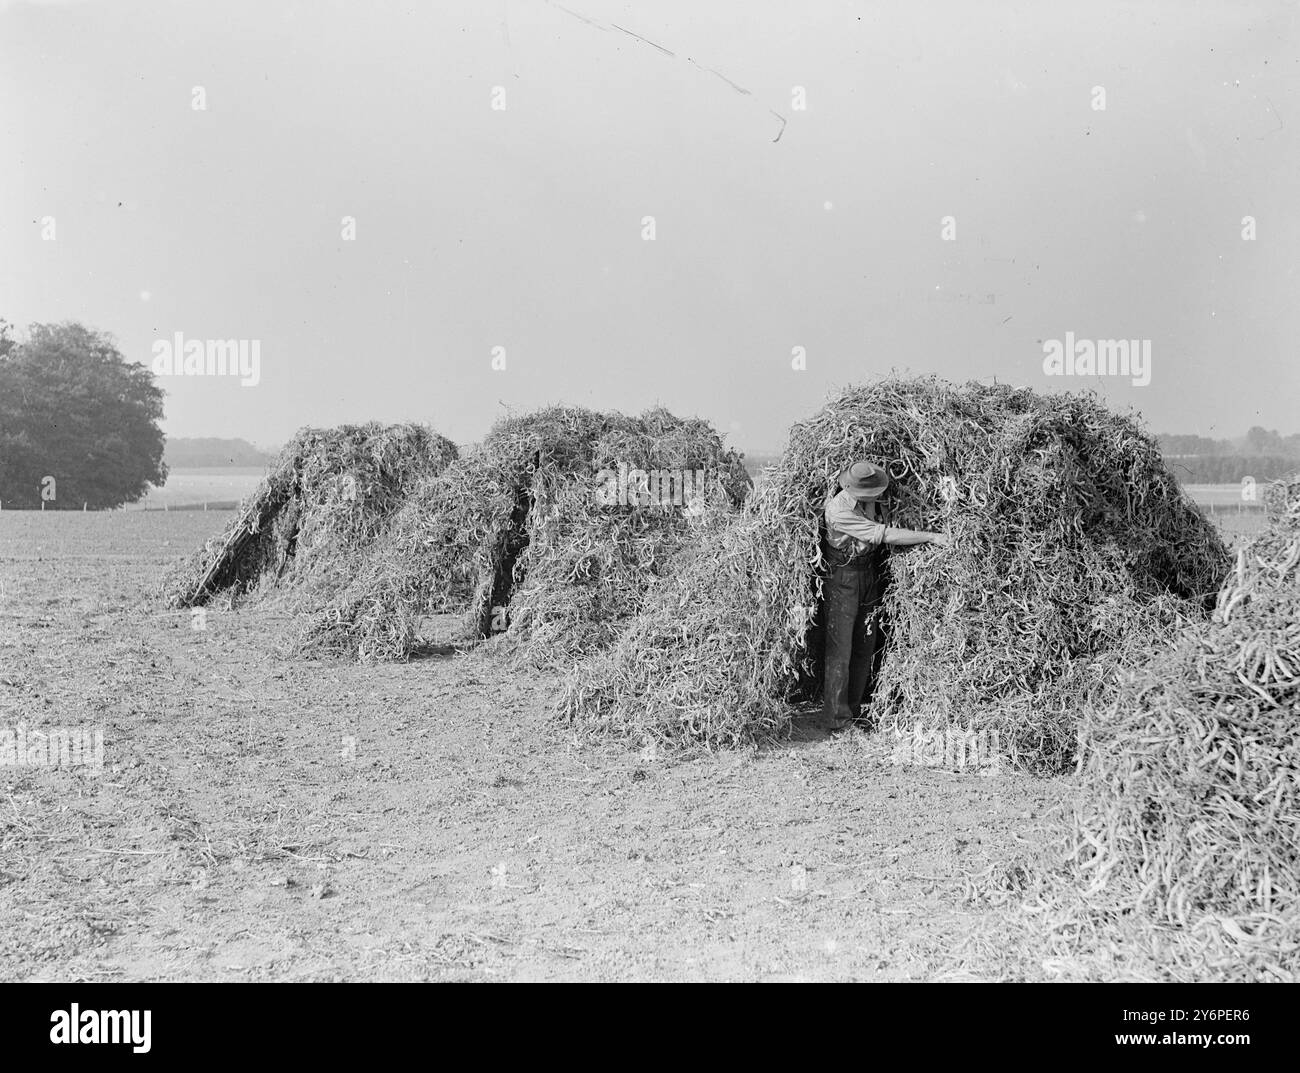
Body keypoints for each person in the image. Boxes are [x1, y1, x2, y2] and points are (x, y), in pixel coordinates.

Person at [822, 460, 950, 732]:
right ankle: (837, 719)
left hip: (867, 574)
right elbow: (885, 534)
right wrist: (930, 536)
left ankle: (854, 711)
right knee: (840, 649)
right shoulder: (838, 510)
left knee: (865, 645)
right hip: (843, 578)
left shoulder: (874, 502)